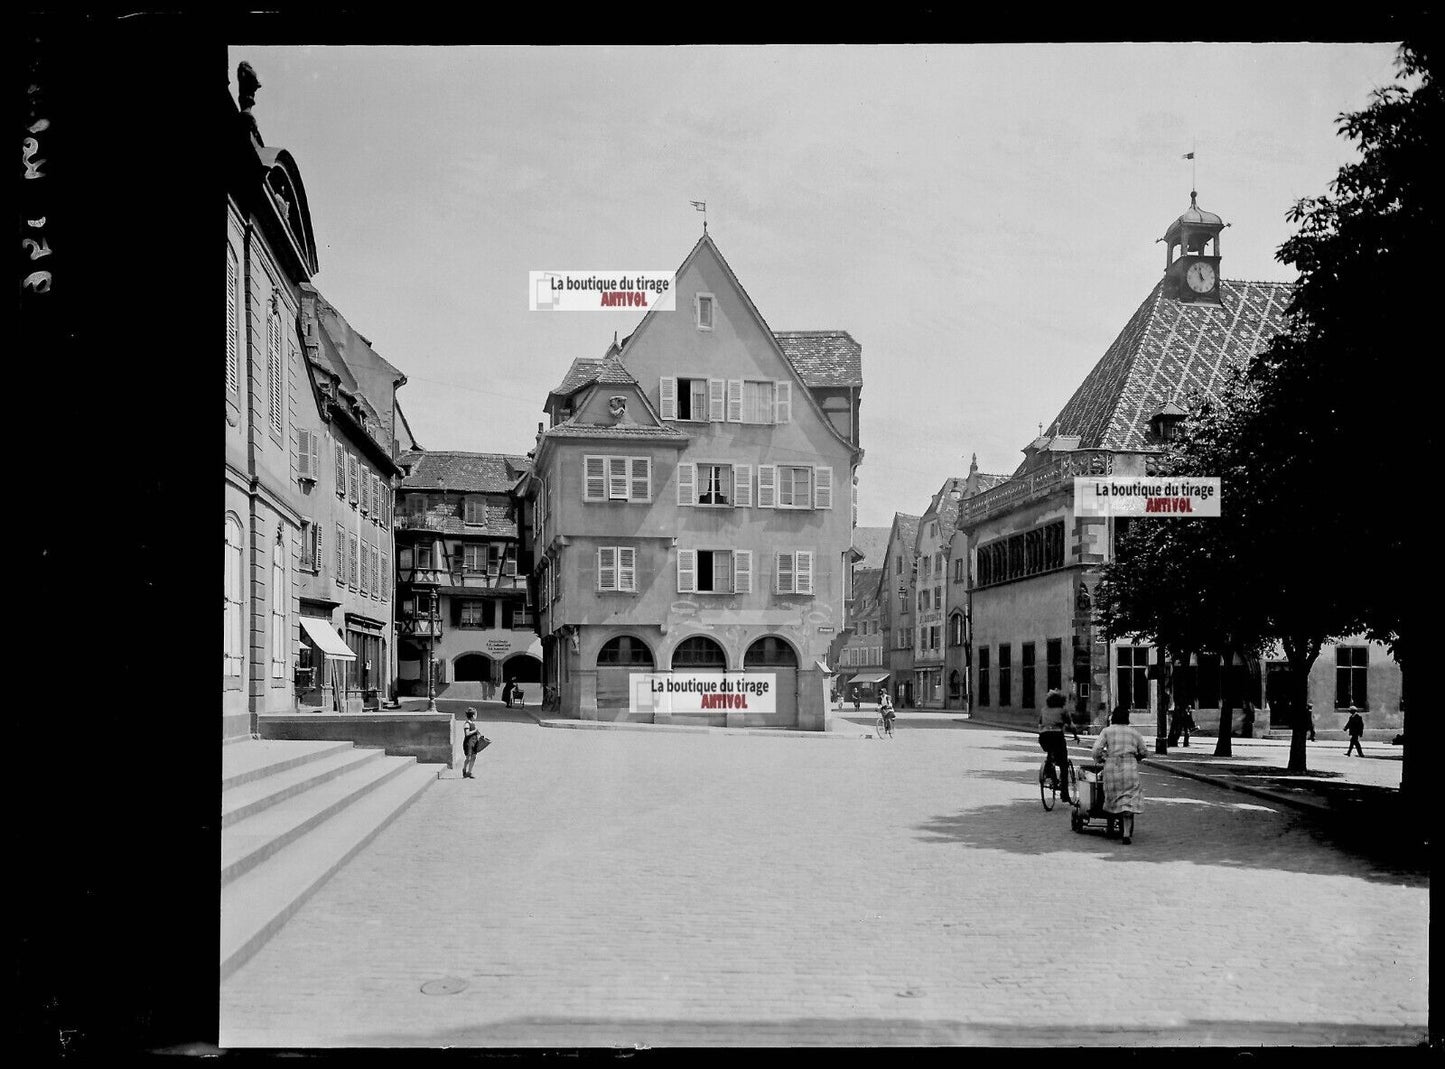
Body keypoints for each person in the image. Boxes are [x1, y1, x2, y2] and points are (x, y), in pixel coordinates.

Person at [1091, 704, 1150, 844]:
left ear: (1113, 717)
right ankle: (1126, 833)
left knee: (1112, 798)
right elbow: (1144, 751)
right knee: (1128, 801)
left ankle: (1111, 828)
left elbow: (1096, 751)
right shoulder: (1134, 733)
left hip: (1112, 768)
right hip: (1130, 768)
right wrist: (1137, 757)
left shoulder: (1107, 731)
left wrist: (1101, 758)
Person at [1038, 689, 1079, 804]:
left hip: (1044, 737)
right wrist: (1076, 735)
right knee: (1064, 764)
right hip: (1057, 736)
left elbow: (1040, 723)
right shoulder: (1063, 711)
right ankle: (1064, 793)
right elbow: (1071, 725)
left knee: (1050, 753)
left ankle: (1049, 772)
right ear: (1061, 701)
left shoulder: (1044, 710)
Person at [461, 708, 482, 779]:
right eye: (476, 715)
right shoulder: (467, 724)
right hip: (468, 743)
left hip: (474, 742)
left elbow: (477, 733)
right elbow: (467, 733)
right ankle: (464, 769)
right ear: (473, 716)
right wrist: (475, 731)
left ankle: (469, 772)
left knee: (474, 757)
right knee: (468, 758)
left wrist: (479, 736)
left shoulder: (473, 723)